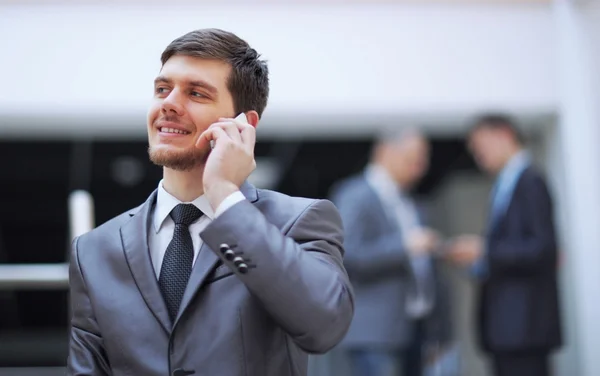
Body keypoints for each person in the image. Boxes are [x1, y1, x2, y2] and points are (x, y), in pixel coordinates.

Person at [67, 28, 354, 376]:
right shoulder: (94, 249)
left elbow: (323, 326)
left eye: (196, 93)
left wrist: (224, 196)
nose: (169, 103)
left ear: (243, 124)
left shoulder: (299, 220)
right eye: (162, 89)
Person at [446, 114, 562, 376]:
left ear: (504, 134)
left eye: (480, 146)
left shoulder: (530, 181)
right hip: (508, 327)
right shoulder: (504, 184)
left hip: (526, 326)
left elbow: (543, 249)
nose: (478, 156)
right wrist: (477, 260)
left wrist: (483, 250)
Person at [330, 130, 452, 376]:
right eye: (413, 158)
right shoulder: (354, 194)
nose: (421, 167)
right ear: (384, 152)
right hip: (374, 333)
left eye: (423, 160)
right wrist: (405, 245)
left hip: (413, 329)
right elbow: (346, 254)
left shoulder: (409, 201)